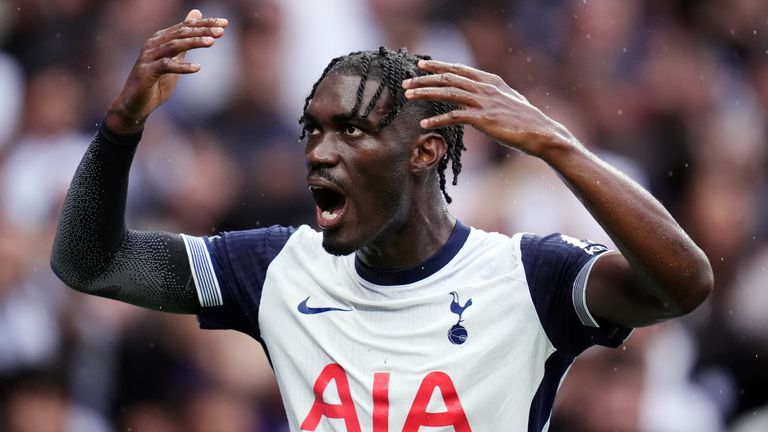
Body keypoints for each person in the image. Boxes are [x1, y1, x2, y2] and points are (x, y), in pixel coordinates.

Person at [50, 9, 713, 431]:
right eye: (312, 132)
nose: (318, 152)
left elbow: (684, 285)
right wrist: (121, 126)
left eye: (350, 132)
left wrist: (556, 145)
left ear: (424, 152)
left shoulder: (529, 276)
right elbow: (90, 263)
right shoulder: (280, 267)